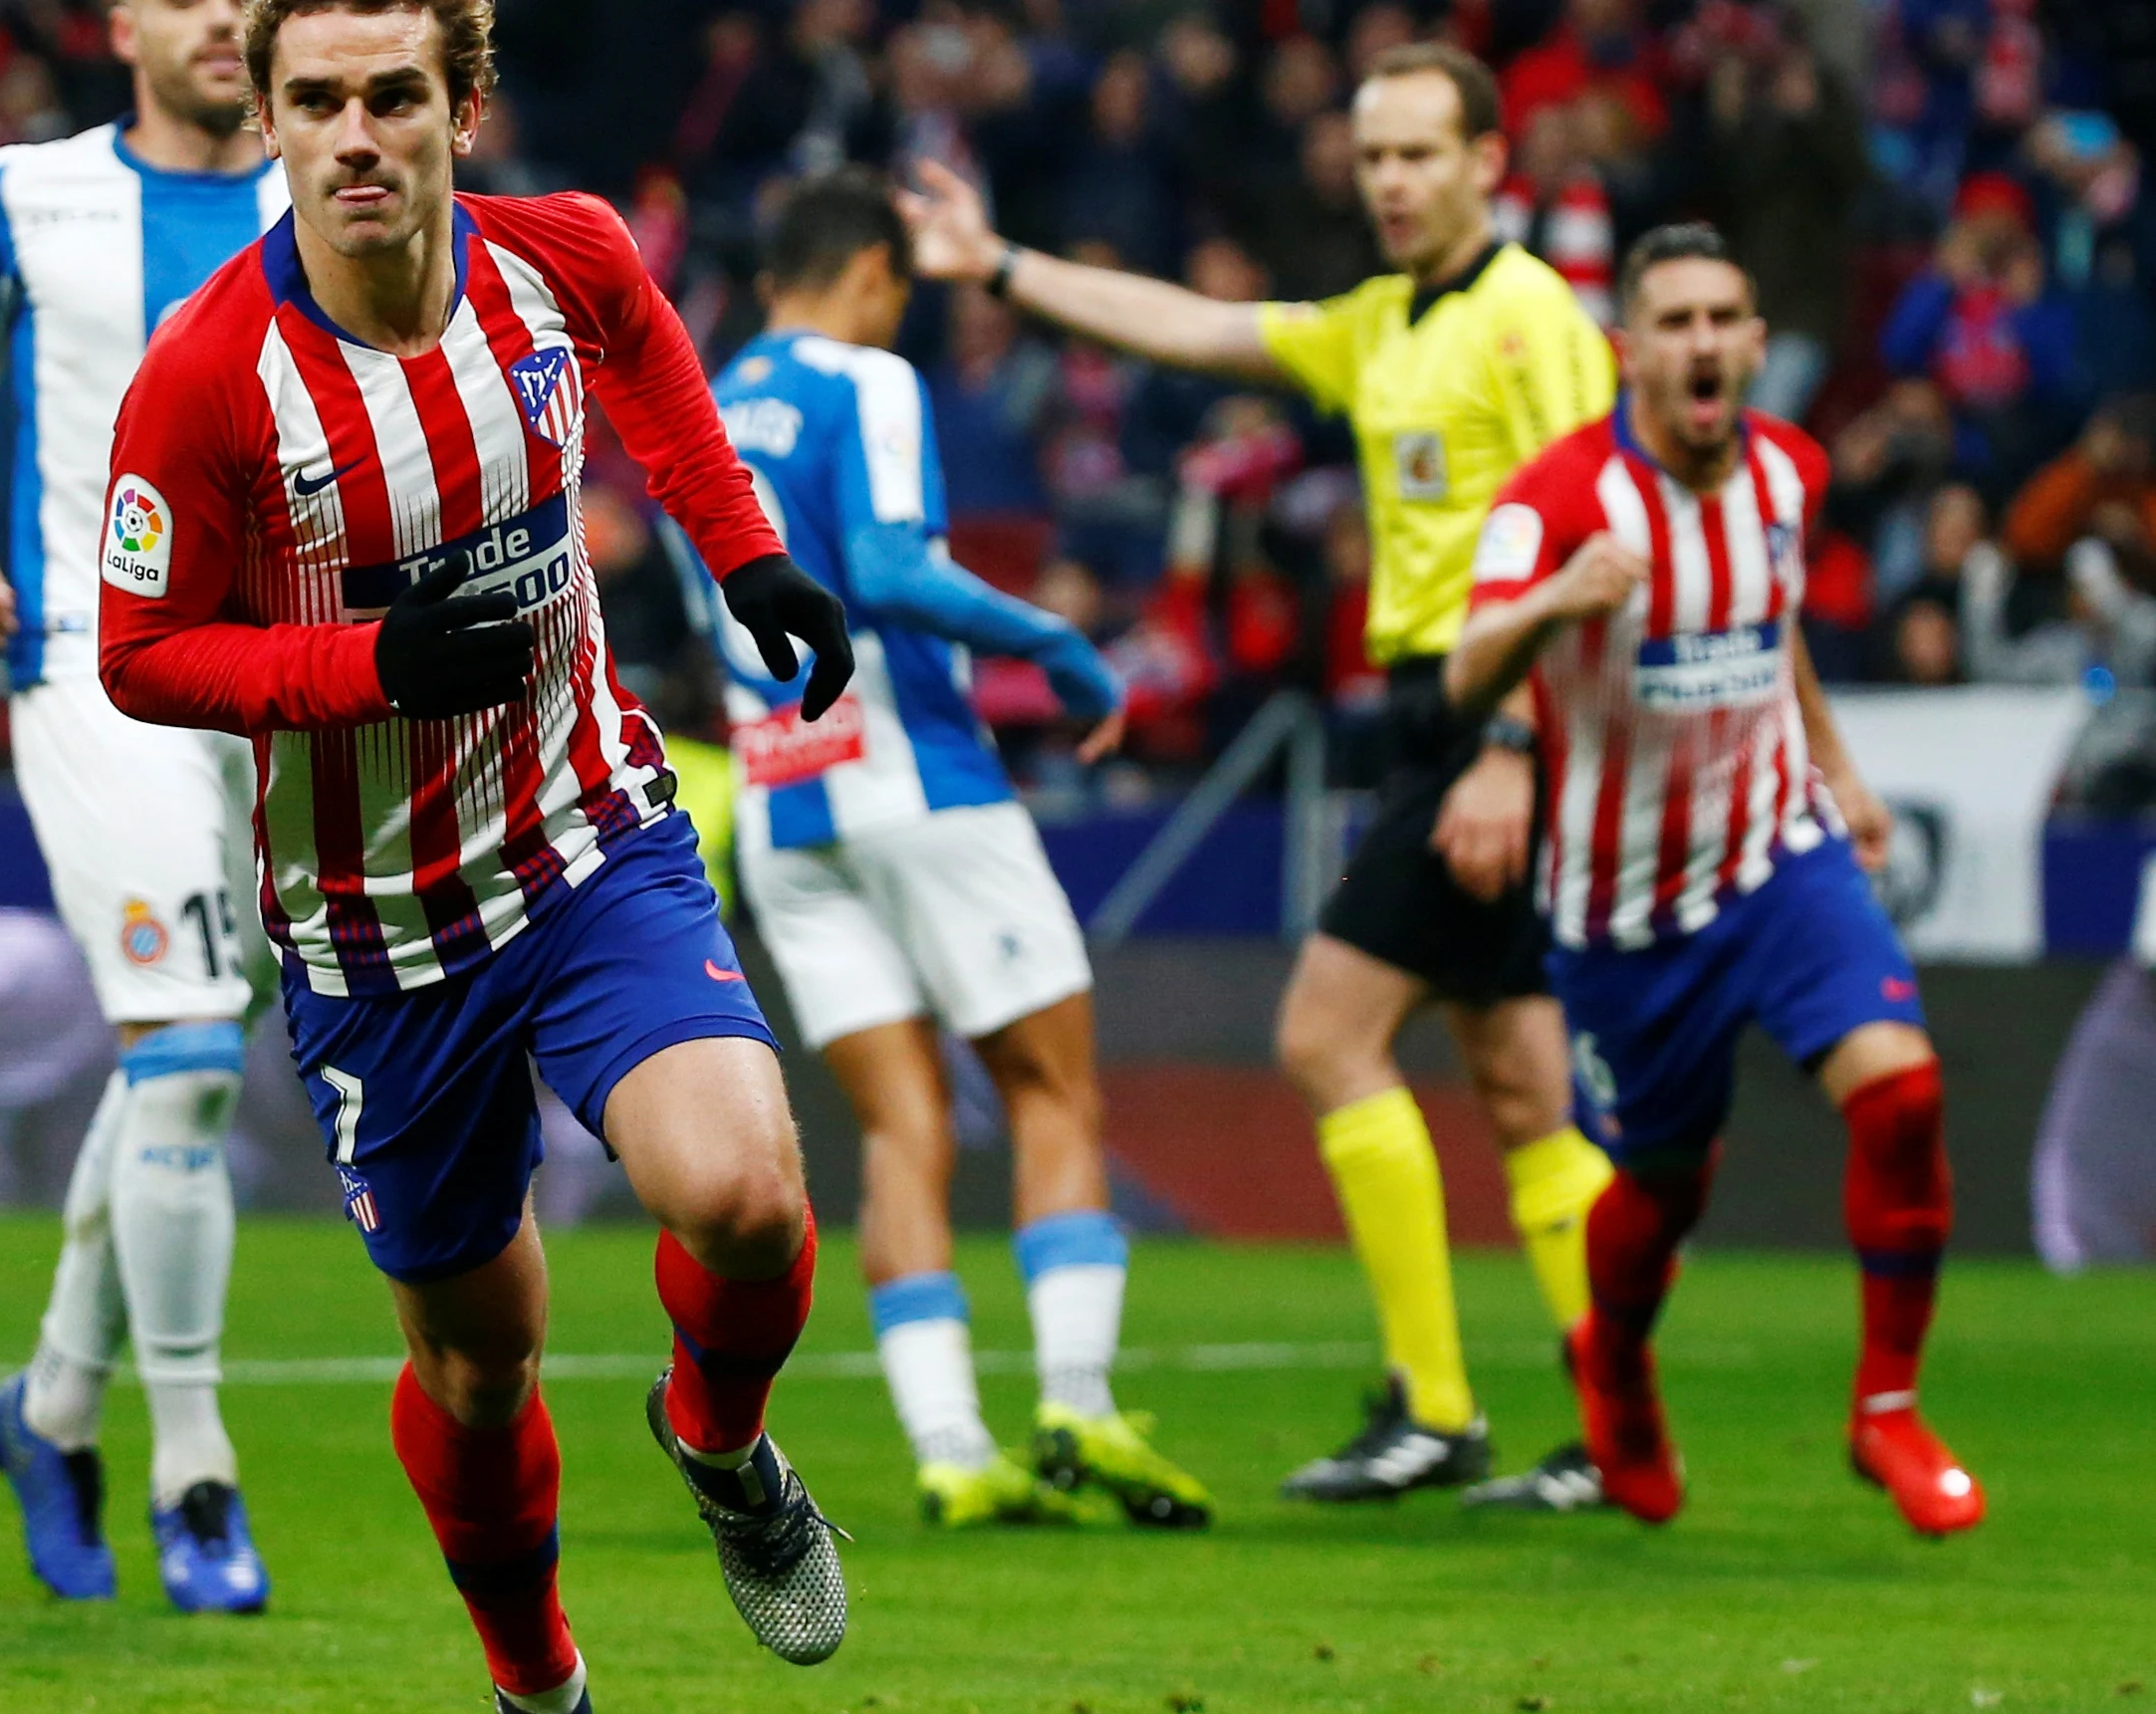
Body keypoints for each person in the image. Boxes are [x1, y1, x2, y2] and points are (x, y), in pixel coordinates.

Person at [99, 2, 859, 1706]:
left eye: (391, 97)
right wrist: (367, 668)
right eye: (317, 102)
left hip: (586, 836)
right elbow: (139, 654)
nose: (353, 136)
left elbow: (655, 375)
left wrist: (745, 557)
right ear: (276, 121)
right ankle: (537, 1681)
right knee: (476, 1364)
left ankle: (719, 1445)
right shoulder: (209, 373)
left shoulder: (562, 259)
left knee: (741, 1194)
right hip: (375, 937)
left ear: (463, 107)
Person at [900, 39, 1622, 1507]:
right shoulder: (1381, 325)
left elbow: (1588, 541)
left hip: (1493, 716)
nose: (1393, 183)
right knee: (1515, 1074)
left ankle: (1436, 1406)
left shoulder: (1531, 316)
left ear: (1490, 162)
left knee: (1322, 1033)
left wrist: (1504, 747)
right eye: (1373, 159)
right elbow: (1194, 329)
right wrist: (1000, 268)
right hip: (1436, 717)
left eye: (1421, 154)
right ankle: (1620, 1419)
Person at [681, 169, 1210, 1532]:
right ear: (870, 268)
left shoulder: (689, 410)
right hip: (923, 787)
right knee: (1050, 1094)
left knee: (897, 1126)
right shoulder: (863, 380)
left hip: (786, 807)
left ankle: (948, 1452)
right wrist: (1057, 644)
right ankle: (1077, 1411)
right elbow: (893, 567)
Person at [1444, 224, 1985, 1538]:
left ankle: (1887, 1413)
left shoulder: (1789, 474)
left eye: (1721, 317)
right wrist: (1556, 599)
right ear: (1628, 348)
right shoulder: (1558, 501)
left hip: (1774, 858)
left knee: (1901, 1093)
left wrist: (1838, 774)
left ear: (1753, 342)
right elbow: (1464, 668)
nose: (1699, 342)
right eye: (1672, 319)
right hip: (1621, 913)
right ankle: (1614, 1373)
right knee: (1664, 1185)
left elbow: (1770, 621)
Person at [0, 0, 288, 1612]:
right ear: (123, 19)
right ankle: (195, 1477)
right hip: (93, 668)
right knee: (185, 1052)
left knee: (183, 1054)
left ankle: (47, 1410)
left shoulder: (324, 198)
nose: (222, 22)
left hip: (288, 692)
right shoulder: (21, 194)